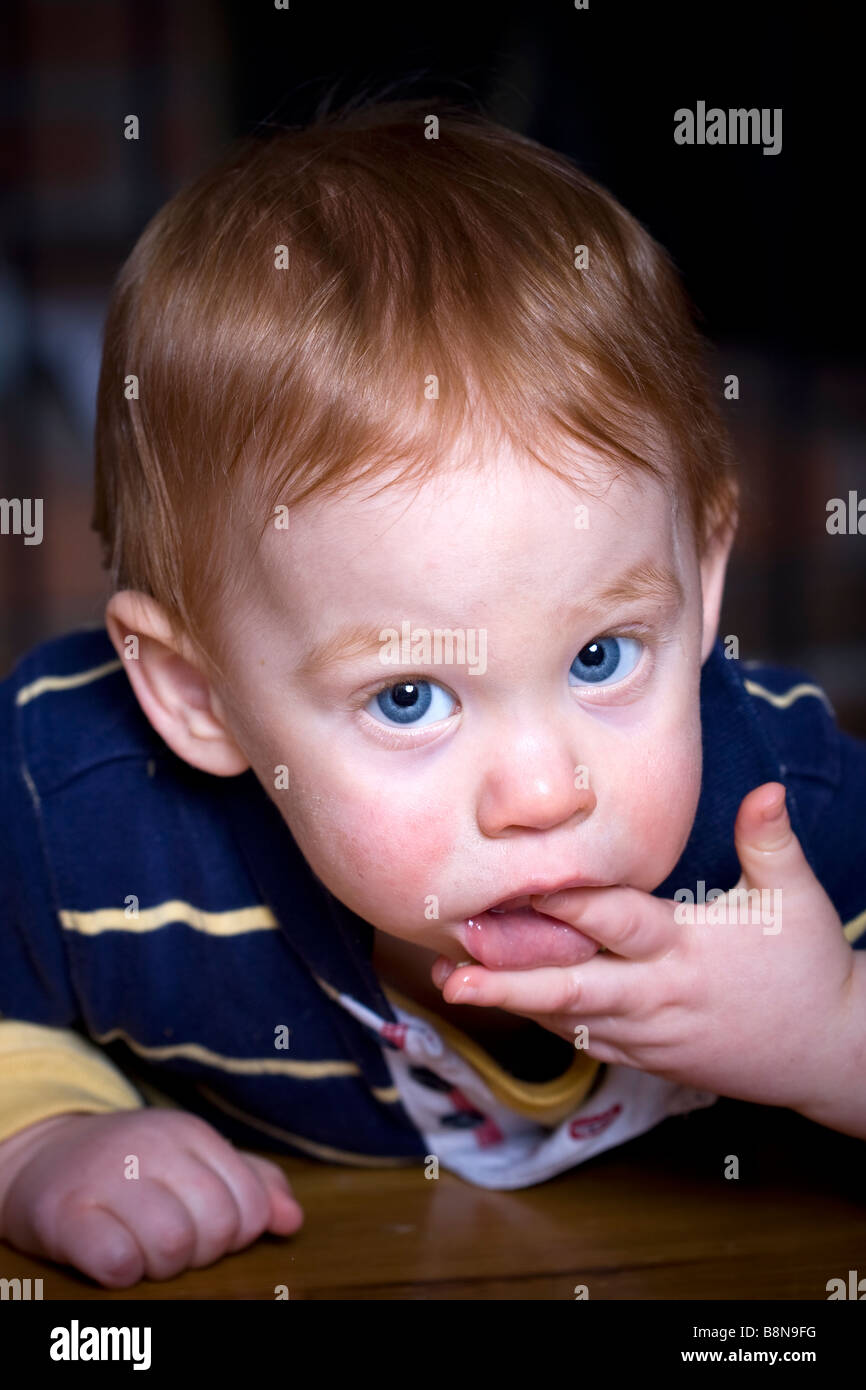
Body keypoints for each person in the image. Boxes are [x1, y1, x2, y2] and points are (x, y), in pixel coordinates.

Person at [1, 98, 863, 1290]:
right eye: (408, 695)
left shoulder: (785, 823)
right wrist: (43, 1140)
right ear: (198, 694)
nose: (542, 792)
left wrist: (830, 1033)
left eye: (601, 656)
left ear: (698, 578)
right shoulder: (80, 810)